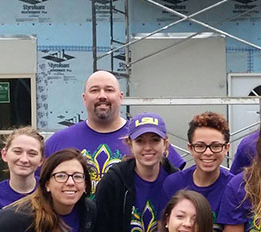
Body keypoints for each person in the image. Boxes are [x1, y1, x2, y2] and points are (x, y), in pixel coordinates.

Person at [44, 70, 184, 195]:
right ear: (84, 98)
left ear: (121, 97)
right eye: (94, 90)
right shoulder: (59, 141)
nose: (102, 96)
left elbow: (179, 181)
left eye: (109, 90)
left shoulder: (144, 137)